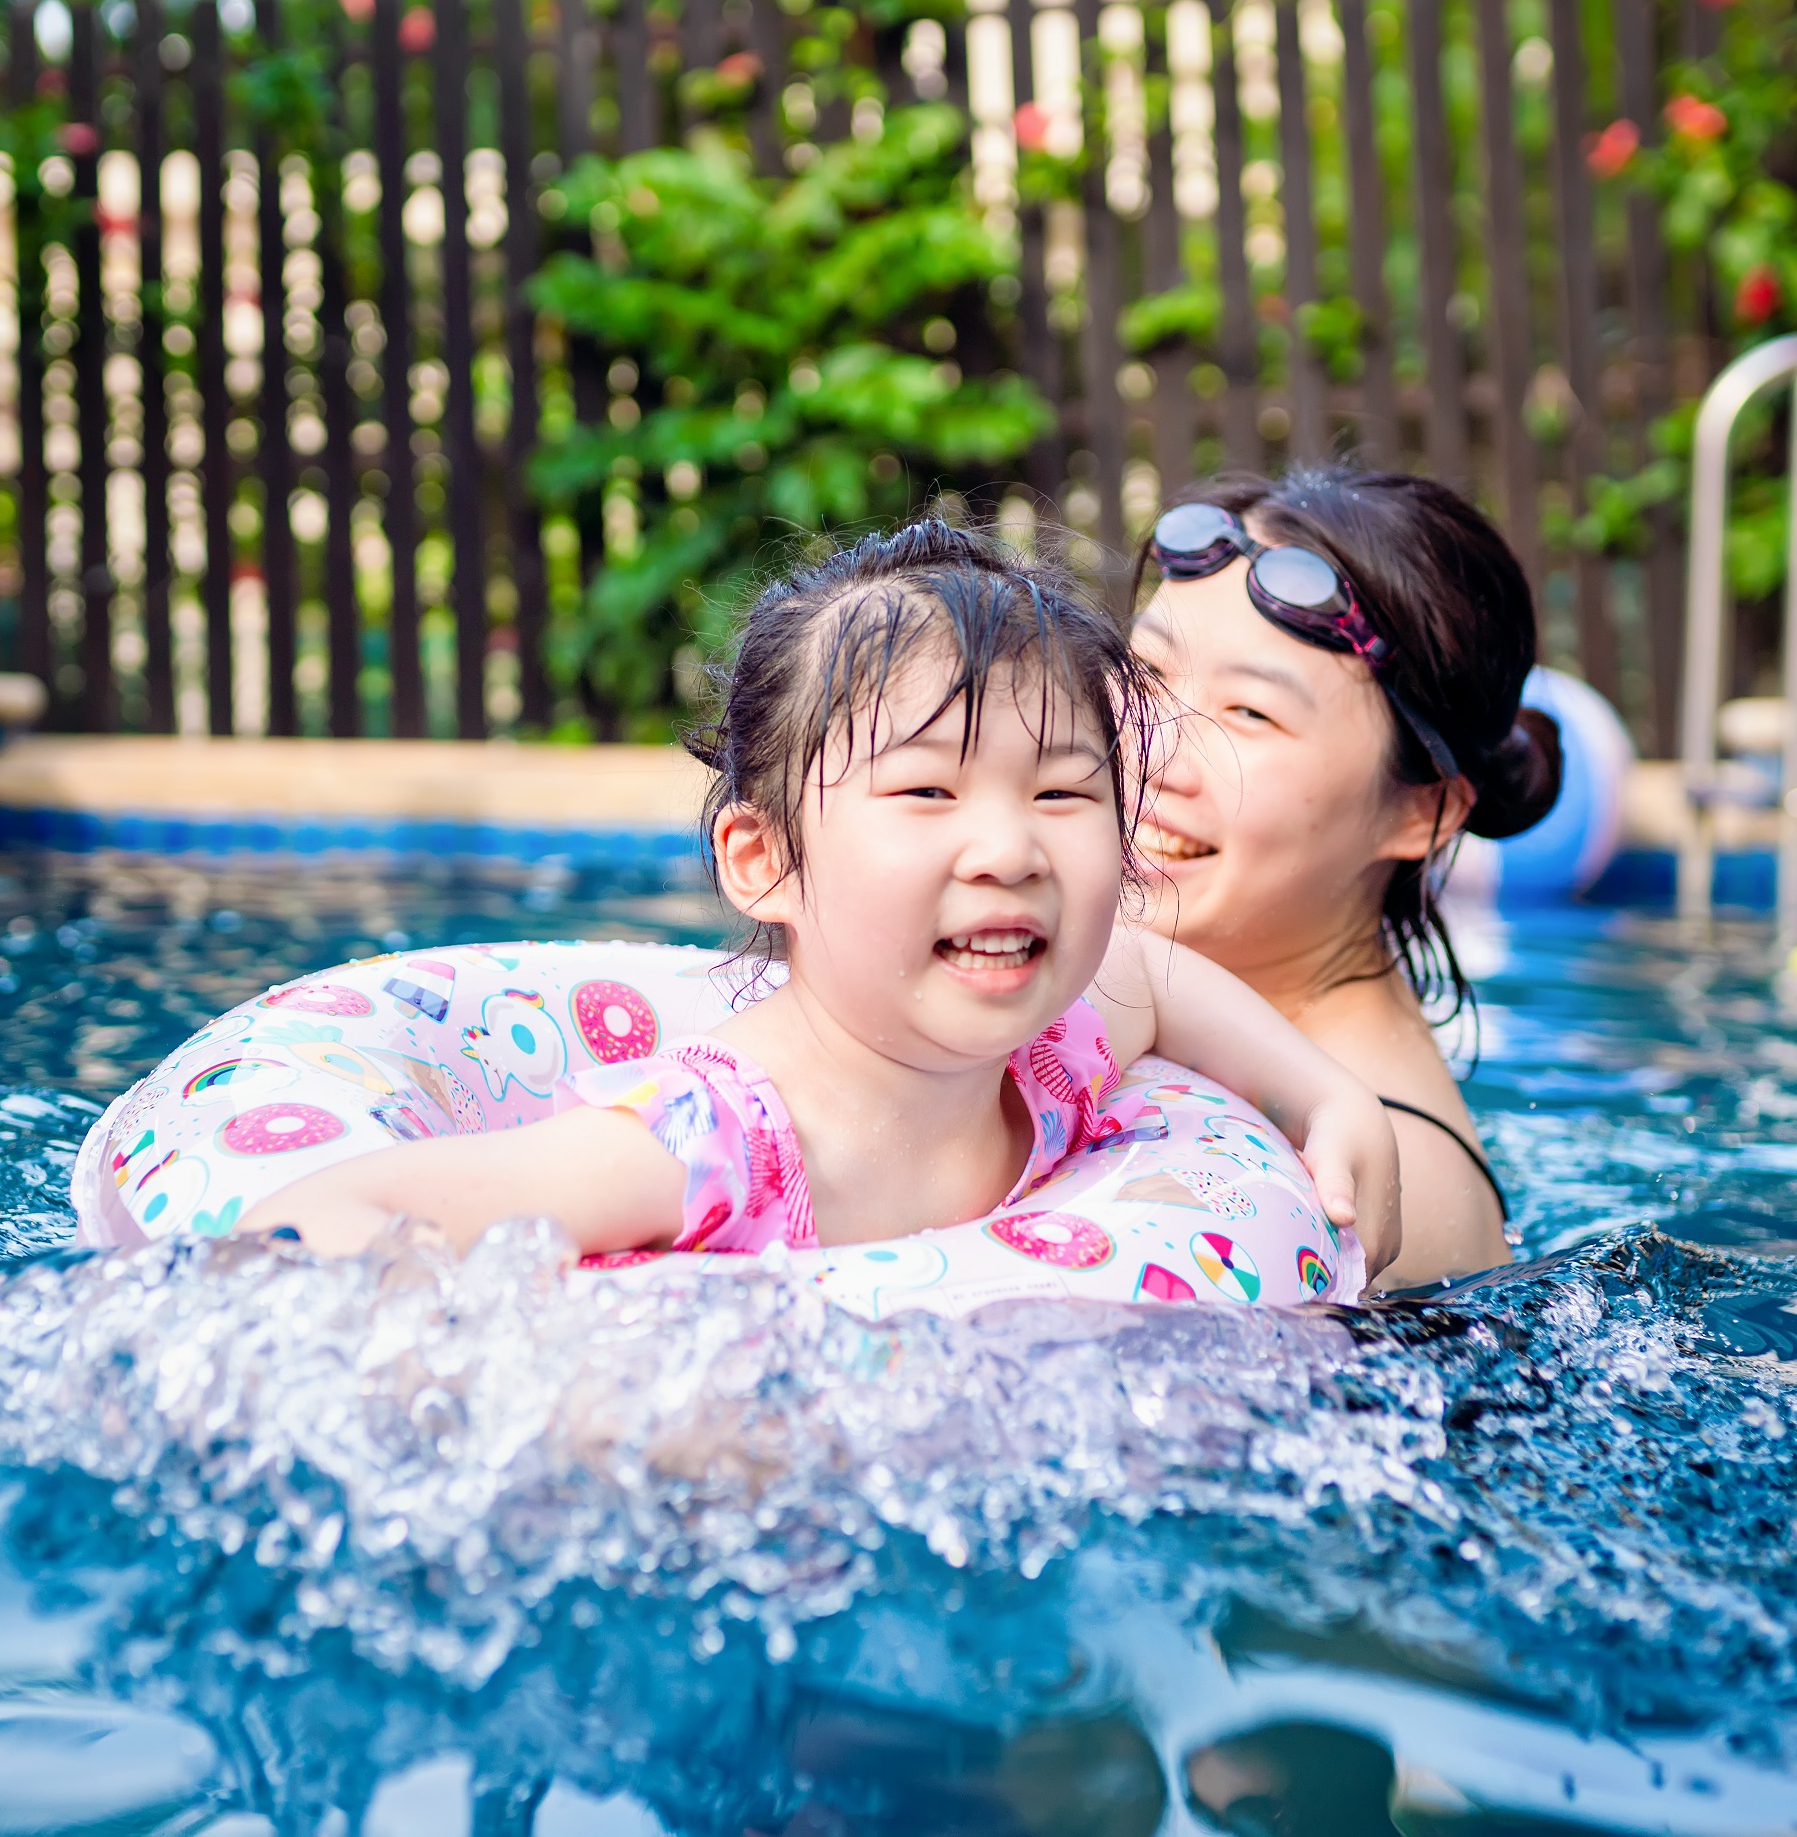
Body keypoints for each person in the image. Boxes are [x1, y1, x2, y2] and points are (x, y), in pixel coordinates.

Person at [245, 520, 1396, 1266]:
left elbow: (1155, 972)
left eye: (1060, 793)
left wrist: (1326, 1095)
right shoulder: (707, 1144)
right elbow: (321, 1222)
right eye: (926, 791)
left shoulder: (1067, 1037)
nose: (1009, 849)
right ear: (767, 861)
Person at [1129, 467, 1561, 1289]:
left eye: (1250, 713)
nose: (1151, 751)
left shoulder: (1367, 1186)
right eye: (1146, 672)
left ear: (1420, 816)